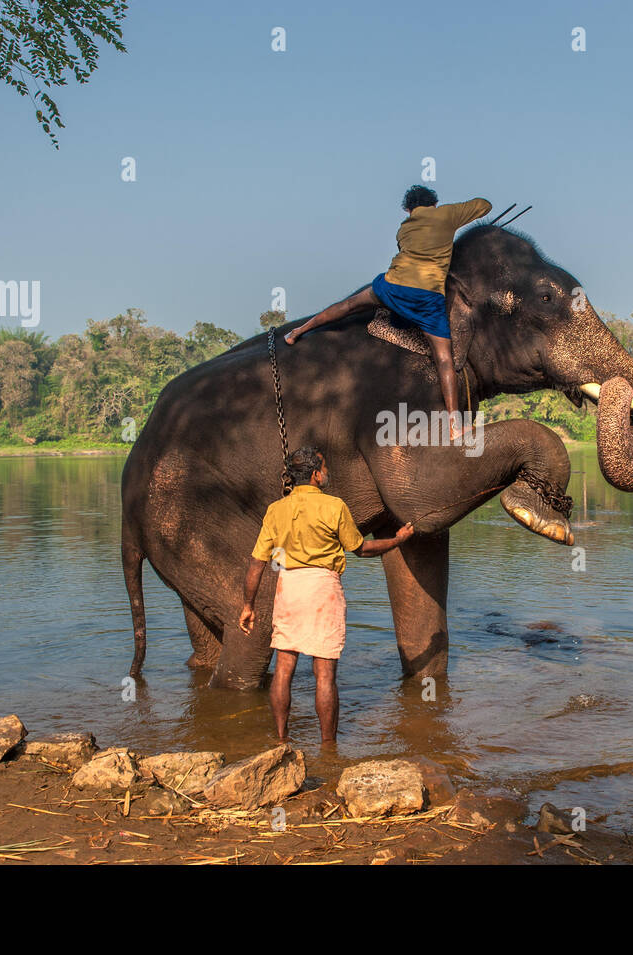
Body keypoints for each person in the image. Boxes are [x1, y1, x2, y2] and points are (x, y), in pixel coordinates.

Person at [284, 186, 491, 441]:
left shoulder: (404, 228)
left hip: (392, 288)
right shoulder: (447, 214)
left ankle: (298, 331)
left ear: (408, 208)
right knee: (445, 360)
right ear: (434, 203)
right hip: (427, 298)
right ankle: (454, 426)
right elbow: (485, 204)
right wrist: (452, 217)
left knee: (348, 306)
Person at [239, 446, 414, 742]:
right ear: (316, 475)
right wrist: (397, 540)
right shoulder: (334, 506)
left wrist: (248, 605)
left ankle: (281, 740)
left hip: (289, 586)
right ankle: (328, 747)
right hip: (322, 588)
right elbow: (361, 549)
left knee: (283, 668)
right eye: (325, 468)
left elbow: (257, 562)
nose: (328, 472)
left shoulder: (275, 510)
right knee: (324, 674)